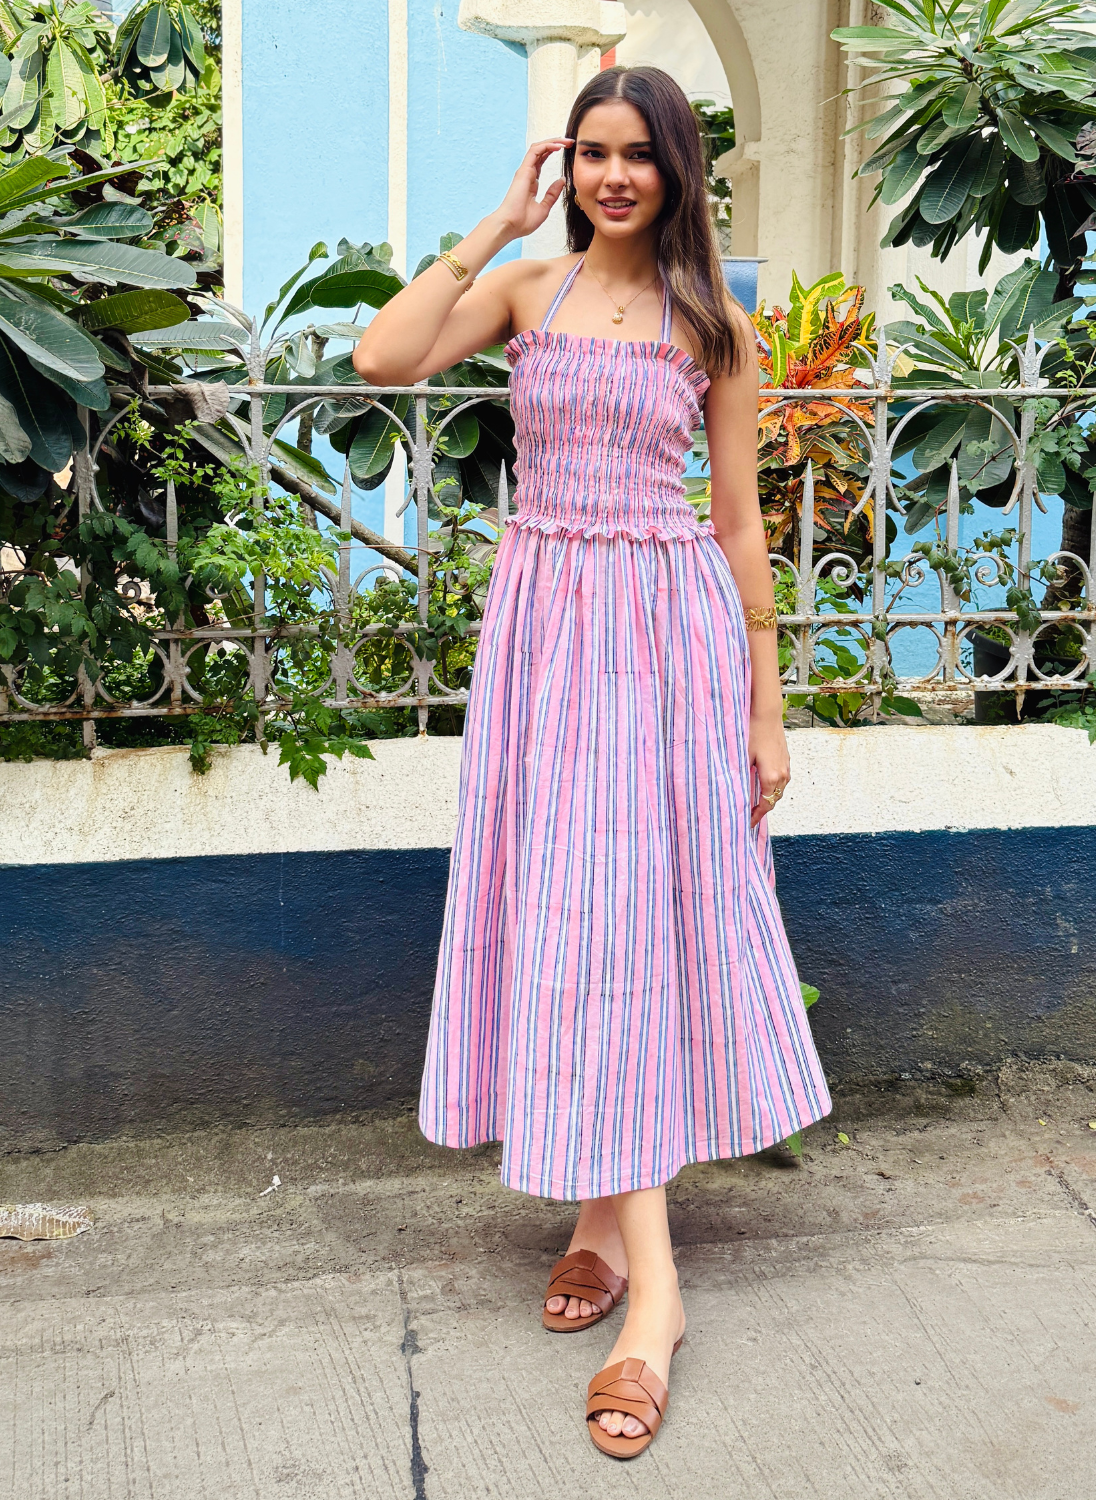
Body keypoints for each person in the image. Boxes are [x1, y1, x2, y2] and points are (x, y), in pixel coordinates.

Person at [354, 63, 831, 1461]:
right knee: (565, 923)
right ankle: (601, 1229)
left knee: (631, 928)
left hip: (667, 640)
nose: (614, 177)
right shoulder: (526, 292)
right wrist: (495, 223)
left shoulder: (712, 325)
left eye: (639, 157)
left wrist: (765, 705)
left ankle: (652, 1293)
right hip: (546, 637)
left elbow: (739, 526)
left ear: (680, 170)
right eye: (593, 156)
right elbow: (385, 358)